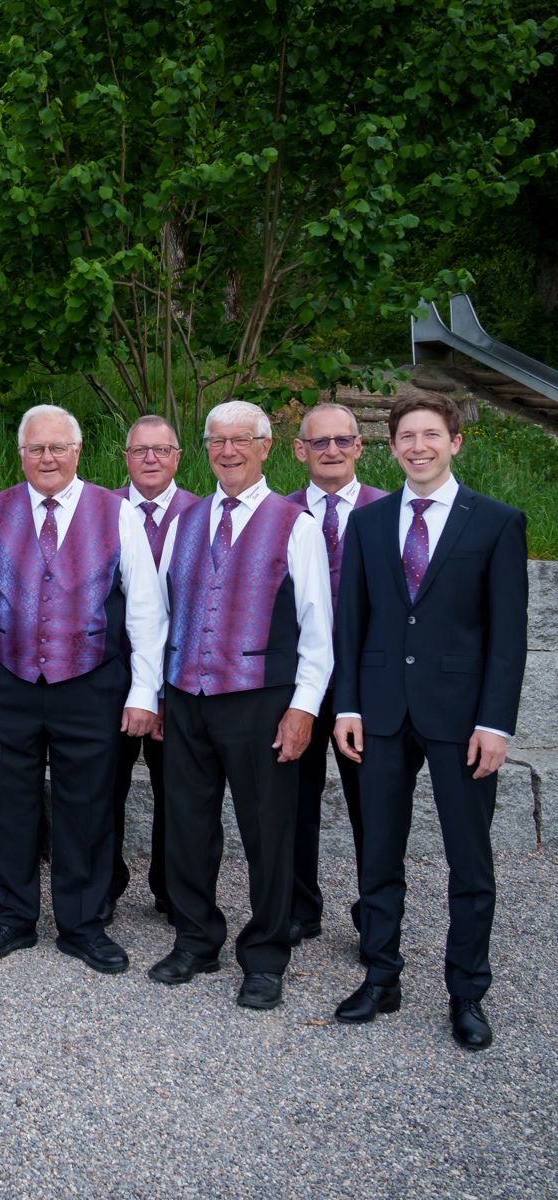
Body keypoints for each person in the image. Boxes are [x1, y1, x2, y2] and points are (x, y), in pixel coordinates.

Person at [332, 390, 527, 1050]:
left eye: (431, 435)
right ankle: (380, 976)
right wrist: (348, 706)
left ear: (454, 442)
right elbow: (351, 622)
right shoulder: (368, 523)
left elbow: (508, 636)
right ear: (392, 448)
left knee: (469, 863)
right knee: (379, 851)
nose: (419, 446)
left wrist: (496, 723)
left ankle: (466, 992)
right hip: (382, 713)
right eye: (407, 437)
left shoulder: (496, 522)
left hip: (462, 719)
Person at [0, 406, 165, 976]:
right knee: (9, 804)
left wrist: (144, 692)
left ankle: (83, 924)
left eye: (57, 448)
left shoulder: (117, 512)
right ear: (20, 455)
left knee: (89, 806)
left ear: (78, 451)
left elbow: (146, 610)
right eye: (35, 449)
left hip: (91, 684)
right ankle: (11, 916)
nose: (46, 458)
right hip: (7, 681)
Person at [148, 400, 331, 1012]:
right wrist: (159, 691)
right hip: (187, 696)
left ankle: (266, 956)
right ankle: (196, 939)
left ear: (265, 446)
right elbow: (162, 613)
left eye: (241, 440)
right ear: (205, 449)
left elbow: (318, 630)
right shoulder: (184, 521)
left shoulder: (295, 524)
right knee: (187, 826)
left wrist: (303, 709)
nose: (228, 451)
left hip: (261, 701)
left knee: (267, 830)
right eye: (217, 441)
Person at [285, 402, 389, 946]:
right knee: (294, 803)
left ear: (359, 447)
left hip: (366, 684)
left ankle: (376, 916)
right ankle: (299, 908)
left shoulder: (390, 510)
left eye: (342, 440)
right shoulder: (277, 513)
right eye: (319, 442)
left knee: (371, 806)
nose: (331, 451)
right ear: (299, 450)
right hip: (298, 682)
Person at [107, 414, 201, 923]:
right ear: (125, 457)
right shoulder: (101, 511)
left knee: (178, 792)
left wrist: (163, 689)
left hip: (182, 679)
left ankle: (172, 890)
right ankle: (104, 885)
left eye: (161, 450)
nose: (150, 459)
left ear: (177, 457)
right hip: (109, 677)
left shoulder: (202, 514)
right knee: (104, 788)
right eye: (140, 450)